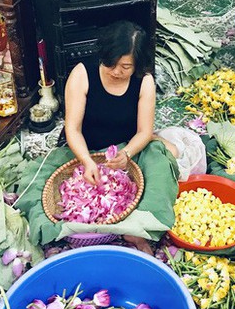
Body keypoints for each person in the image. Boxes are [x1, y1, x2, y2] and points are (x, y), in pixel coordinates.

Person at [63, 20, 178, 254]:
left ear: (137, 64)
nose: (117, 72)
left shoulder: (143, 81)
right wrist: (86, 161)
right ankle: (121, 227)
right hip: (88, 146)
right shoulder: (82, 74)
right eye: (111, 64)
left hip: (126, 146)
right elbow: (72, 129)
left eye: (125, 67)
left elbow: (144, 131)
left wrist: (126, 154)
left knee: (168, 157)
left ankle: (135, 228)